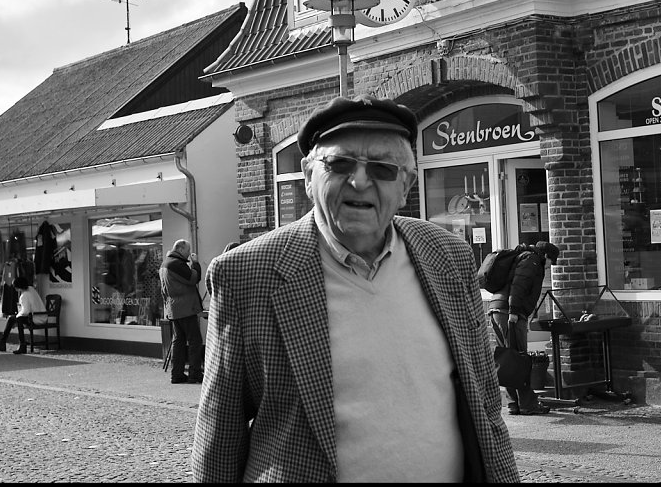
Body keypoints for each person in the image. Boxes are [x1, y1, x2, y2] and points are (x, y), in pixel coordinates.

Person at [192, 94, 518, 482]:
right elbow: (221, 433)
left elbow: (483, 400)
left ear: (406, 185)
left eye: (382, 168)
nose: (360, 180)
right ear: (308, 177)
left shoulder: (448, 256)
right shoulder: (247, 273)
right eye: (339, 163)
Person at [487, 241, 559, 415]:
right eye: (552, 262)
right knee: (519, 359)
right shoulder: (532, 261)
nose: (550, 267)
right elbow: (518, 286)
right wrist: (514, 312)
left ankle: (514, 404)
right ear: (546, 256)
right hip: (509, 312)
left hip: (497, 309)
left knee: (509, 359)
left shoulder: (524, 257)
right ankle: (528, 404)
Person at [160, 239, 204, 384]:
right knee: (195, 341)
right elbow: (194, 278)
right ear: (179, 249)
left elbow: (163, 290)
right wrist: (195, 263)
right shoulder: (176, 264)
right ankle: (195, 374)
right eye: (187, 249)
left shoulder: (165, 264)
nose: (189, 253)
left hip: (173, 308)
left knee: (178, 342)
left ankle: (177, 374)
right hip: (185, 308)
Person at [0, 276, 45, 354]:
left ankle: (9, 343)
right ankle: (18, 344)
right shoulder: (31, 289)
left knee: (16, 319)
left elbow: (25, 311)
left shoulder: (24, 296)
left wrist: (16, 316)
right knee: (15, 318)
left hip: (35, 318)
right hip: (42, 316)